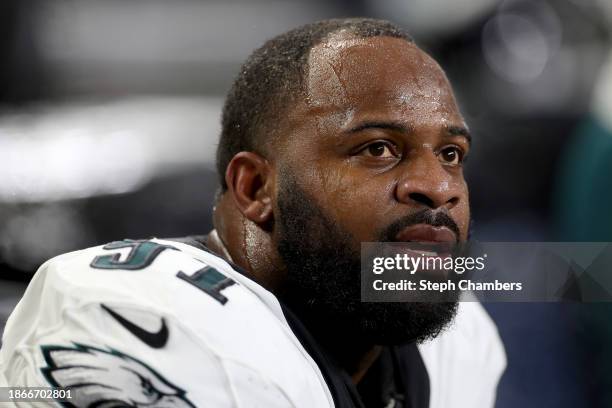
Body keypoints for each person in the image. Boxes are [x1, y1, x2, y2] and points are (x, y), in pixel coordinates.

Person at [0, 18, 505, 408]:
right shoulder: (147, 320)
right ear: (255, 187)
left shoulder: (457, 337)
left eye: (450, 154)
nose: (438, 188)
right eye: (377, 149)